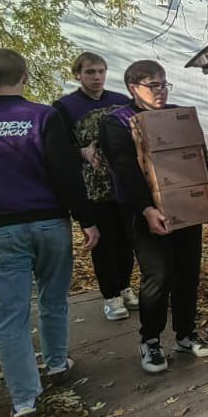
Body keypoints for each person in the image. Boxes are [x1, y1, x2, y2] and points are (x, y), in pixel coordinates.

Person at [0, 49, 99, 417]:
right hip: (49, 223)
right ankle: (57, 363)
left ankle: (24, 399)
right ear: (25, 76)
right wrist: (86, 219)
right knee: (53, 297)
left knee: (9, 314)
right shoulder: (42, 116)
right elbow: (65, 173)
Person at [100, 60, 208, 374]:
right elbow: (124, 168)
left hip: (185, 207)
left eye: (164, 84)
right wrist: (146, 208)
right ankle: (150, 340)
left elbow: (198, 155)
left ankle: (185, 334)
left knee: (187, 272)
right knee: (160, 275)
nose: (161, 91)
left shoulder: (177, 115)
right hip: (144, 212)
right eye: (154, 85)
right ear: (132, 87)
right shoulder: (118, 121)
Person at [52, 52, 137, 322]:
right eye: (90, 72)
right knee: (103, 242)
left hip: (123, 181)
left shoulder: (121, 101)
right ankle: (110, 296)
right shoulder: (63, 107)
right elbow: (61, 149)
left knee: (127, 240)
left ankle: (124, 287)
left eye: (101, 71)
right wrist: (82, 154)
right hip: (92, 187)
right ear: (78, 74)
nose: (97, 77)